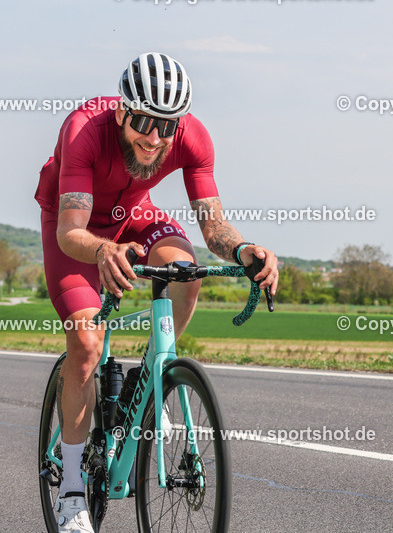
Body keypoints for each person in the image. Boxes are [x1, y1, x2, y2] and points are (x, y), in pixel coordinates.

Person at [35, 52, 279, 532]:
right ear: (122, 111)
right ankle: (71, 490)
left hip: (135, 215)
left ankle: (152, 380)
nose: (154, 138)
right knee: (86, 344)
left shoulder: (192, 137)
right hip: (76, 228)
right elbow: (70, 231)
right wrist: (103, 250)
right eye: (145, 121)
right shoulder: (84, 129)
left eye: (166, 126)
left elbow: (214, 228)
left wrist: (244, 250)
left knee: (186, 273)